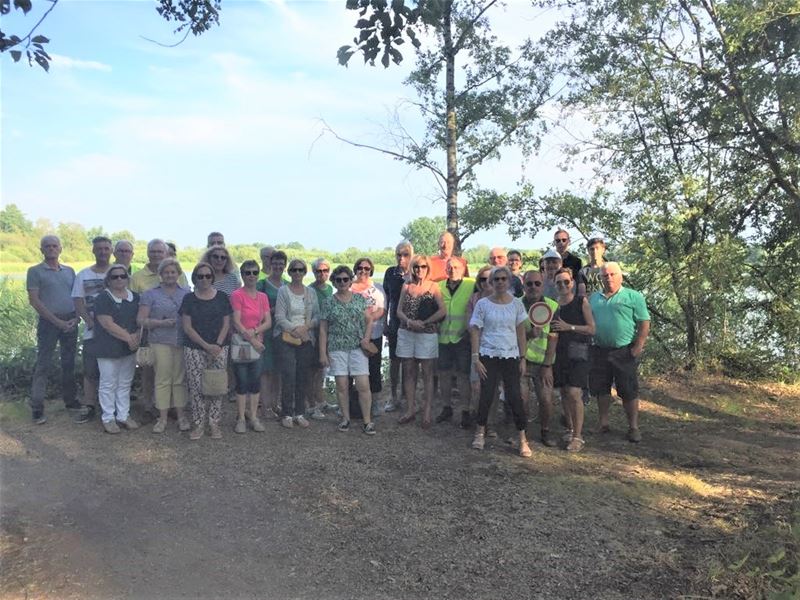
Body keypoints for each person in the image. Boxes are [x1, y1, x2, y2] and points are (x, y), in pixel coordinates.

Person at [469, 266, 531, 457]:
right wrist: (476, 357)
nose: (500, 282)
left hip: (510, 356)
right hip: (488, 355)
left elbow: (521, 333)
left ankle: (522, 438)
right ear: (491, 282)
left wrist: (523, 358)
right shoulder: (482, 304)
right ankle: (480, 432)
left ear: (509, 281)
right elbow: (475, 330)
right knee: (486, 394)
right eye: (496, 279)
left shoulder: (517, 305)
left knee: (514, 396)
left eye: (504, 279)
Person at [27, 235, 86, 424]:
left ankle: (70, 400)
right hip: (48, 323)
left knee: (68, 362)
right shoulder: (35, 271)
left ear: (60, 249)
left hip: (70, 320)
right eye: (47, 246)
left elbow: (77, 296)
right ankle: (37, 406)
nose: (51, 249)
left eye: (54, 246)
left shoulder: (69, 271)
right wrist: (56, 321)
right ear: (41, 250)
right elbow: (34, 301)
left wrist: (77, 317)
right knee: (43, 363)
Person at [589, 262, 651, 443]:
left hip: (624, 350)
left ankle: (633, 427)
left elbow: (644, 322)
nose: (608, 278)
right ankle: (603, 422)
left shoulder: (633, 296)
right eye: (605, 275)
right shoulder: (594, 298)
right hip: (599, 349)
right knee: (601, 388)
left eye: (612, 274)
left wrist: (638, 345)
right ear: (600, 278)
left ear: (620, 276)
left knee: (628, 389)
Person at [130, 239, 189, 417]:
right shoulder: (149, 291)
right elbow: (140, 318)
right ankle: (159, 414)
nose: (170, 275)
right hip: (157, 340)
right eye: (166, 272)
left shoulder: (186, 293)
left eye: (173, 272)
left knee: (179, 379)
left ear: (178, 273)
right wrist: (160, 323)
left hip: (180, 340)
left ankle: (179, 413)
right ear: (160, 274)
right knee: (160, 378)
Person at [318, 265, 376, 435]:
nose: (342, 282)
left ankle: (367, 421)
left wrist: (366, 338)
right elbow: (323, 330)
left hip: (358, 347)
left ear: (351, 280)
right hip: (337, 348)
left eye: (345, 279)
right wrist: (323, 353)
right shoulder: (328, 302)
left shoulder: (360, 299)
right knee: (342, 385)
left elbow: (369, 320)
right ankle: (345, 418)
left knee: (363, 384)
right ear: (334, 282)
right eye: (338, 280)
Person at [180, 262, 232, 440]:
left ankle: (214, 423)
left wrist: (216, 345)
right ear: (195, 278)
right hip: (194, 348)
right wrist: (205, 345)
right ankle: (199, 424)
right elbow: (187, 327)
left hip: (219, 348)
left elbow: (227, 323)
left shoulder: (222, 297)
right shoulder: (188, 299)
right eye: (200, 276)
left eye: (208, 276)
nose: (204, 279)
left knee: (217, 386)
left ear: (212, 278)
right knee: (196, 387)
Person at [546, 268, 595, 452]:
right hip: (559, 354)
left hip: (579, 353)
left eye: (566, 282)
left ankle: (578, 436)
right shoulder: (552, 305)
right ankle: (570, 428)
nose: (563, 285)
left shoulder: (581, 301)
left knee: (575, 393)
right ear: (554, 284)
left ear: (572, 282)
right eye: (559, 282)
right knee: (565, 393)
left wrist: (570, 327)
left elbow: (592, 329)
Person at [396, 255, 446, 429]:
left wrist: (424, 323)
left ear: (428, 268)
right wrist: (409, 322)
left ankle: (426, 411)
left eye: (423, 267)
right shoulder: (407, 285)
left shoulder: (433, 287)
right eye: (416, 267)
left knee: (427, 373)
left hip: (426, 333)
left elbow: (442, 311)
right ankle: (410, 409)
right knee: (409, 371)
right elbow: (399, 311)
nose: (420, 270)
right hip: (407, 332)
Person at [93, 265, 141, 434]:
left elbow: (139, 320)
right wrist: (130, 338)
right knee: (108, 383)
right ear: (108, 280)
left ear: (127, 278)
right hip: (108, 347)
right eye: (115, 277)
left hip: (128, 348)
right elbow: (107, 324)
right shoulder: (103, 298)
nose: (119, 279)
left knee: (125, 383)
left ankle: (123, 415)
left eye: (122, 276)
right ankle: (108, 417)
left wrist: (136, 337)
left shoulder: (135, 297)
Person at [274, 259, 320, 429]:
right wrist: (295, 330)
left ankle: (299, 412)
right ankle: (286, 413)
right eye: (294, 269)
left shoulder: (311, 292)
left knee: (303, 375)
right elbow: (279, 317)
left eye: (301, 269)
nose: (297, 272)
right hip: (286, 337)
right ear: (289, 271)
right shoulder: (283, 291)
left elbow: (316, 317)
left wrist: (305, 328)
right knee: (288, 375)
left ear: (305, 272)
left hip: (306, 338)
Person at [72, 236, 114, 420]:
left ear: (111, 250)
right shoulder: (83, 275)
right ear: (93, 251)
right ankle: (89, 405)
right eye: (99, 249)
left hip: (115, 331)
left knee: (114, 369)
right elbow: (78, 301)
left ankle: (114, 406)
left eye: (106, 248)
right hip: (92, 331)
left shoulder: (119, 272)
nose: (103, 252)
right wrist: (89, 321)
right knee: (90, 369)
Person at [230, 260, 271, 434]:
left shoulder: (263, 297)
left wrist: (255, 332)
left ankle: (253, 416)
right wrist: (253, 340)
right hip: (242, 344)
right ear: (242, 274)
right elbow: (236, 321)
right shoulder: (237, 295)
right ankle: (240, 417)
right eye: (248, 273)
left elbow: (268, 321)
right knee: (241, 382)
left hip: (257, 343)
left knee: (255, 382)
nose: (251, 276)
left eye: (255, 272)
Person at [521, 269, 559, 446]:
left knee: (546, 399)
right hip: (522, 361)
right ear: (523, 284)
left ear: (542, 285)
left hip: (543, 362)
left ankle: (545, 432)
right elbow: (511, 334)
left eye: (537, 283)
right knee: (522, 399)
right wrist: (529, 334)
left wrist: (548, 365)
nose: (533, 287)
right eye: (529, 284)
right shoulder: (516, 305)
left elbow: (554, 336)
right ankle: (522, 434)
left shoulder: (552, 306)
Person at [436, 257, 474, 425]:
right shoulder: (438, 286)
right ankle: (446, 407)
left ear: (463, 268)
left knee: (463, 375)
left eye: (456, 267)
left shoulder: (471, 285)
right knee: (444, 374)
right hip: (443, 337)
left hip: (463, 337)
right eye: (449, 267)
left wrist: (470, 331)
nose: (453, 270)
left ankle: (465, 410)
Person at [351, 257, 386, 415]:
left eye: (366, 268)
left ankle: (376, 403)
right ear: (355, 269)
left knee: (373, 368)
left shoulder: (377, 288)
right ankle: (351, 403)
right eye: (360, 268)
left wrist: (369, 319)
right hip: (352, 335)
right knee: (352, 370)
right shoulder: (349, 287)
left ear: (371, 270)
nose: (363, 271)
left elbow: (381, 309)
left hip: (374, 334)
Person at [382, 240, 413, 413]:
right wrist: (385, 322)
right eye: (399, 255)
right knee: (394, 361)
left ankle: (408, 397)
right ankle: (393, 397)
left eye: (405, 255)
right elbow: (386, 298)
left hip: (412, 323)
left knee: (410, 363)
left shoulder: (417, 271)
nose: (402, 258)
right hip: (394, 322)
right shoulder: (390, 273)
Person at [257, 250, 288, 419]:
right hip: (266, 331)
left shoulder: (288, 284)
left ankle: (276, 404)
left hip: (283, 333)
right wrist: (274, 311)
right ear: (270, 264)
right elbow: (255, 309)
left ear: (285, 266)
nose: (277, 266)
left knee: (279, 371)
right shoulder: (261, 284)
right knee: (266, 370)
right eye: (275, 263)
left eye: (281, 264)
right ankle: (265, 406)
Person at [465, 265, 493, 429]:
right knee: (476, 386)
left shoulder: (503, 298)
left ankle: (490, 422)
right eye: (482, 279)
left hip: (496, 349)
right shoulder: (474, 298)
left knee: (492, 387)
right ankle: (479, 418)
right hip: (477, 347)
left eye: (489, 279)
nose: (485, 282)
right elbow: (470, 324)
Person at [307, 258, 333, 420]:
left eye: (325, 271)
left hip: (328, 335)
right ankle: (311, 404)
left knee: (322, 370)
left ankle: (321, 400)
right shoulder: (309, 290)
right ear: (313, 272)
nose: (322, 274)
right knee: (312, 372)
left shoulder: (331, 289)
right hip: (314, 336)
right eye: (318, 271)